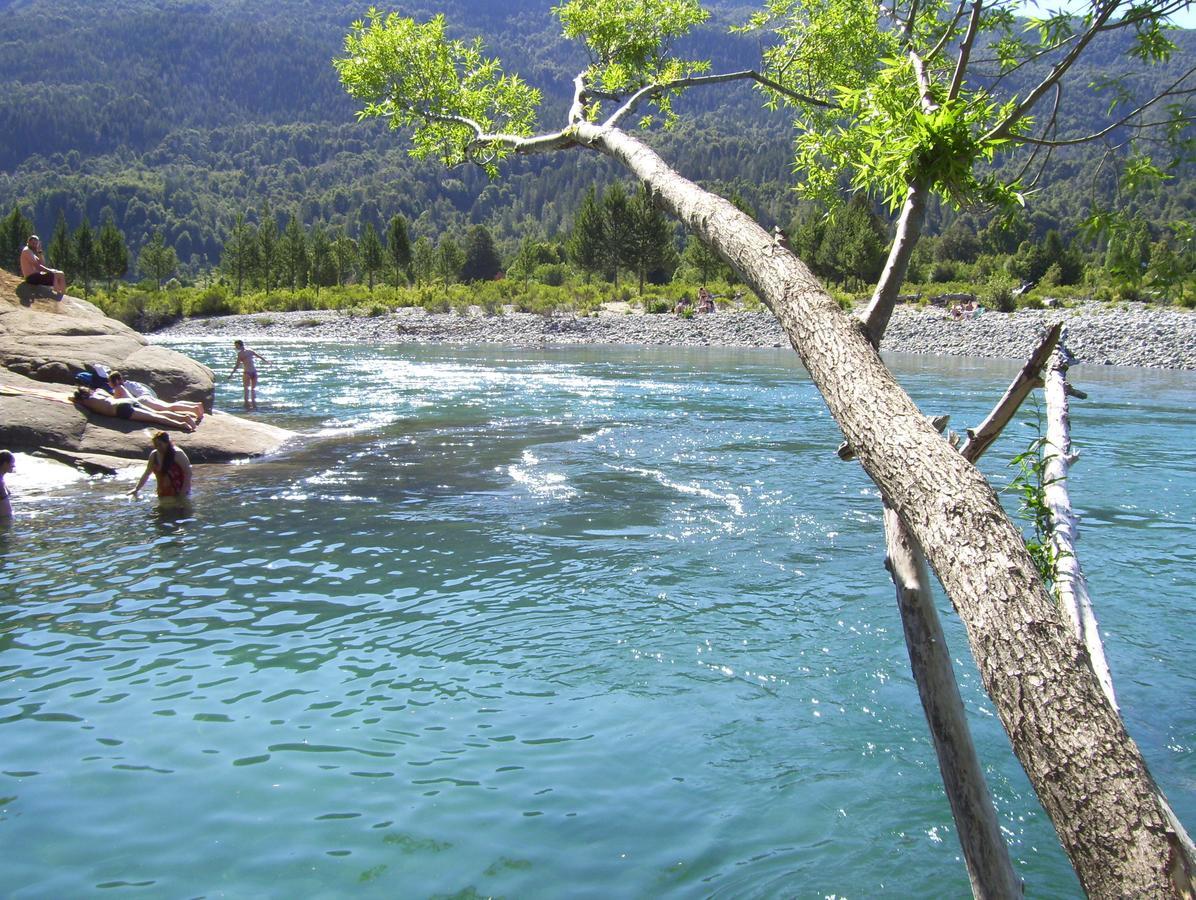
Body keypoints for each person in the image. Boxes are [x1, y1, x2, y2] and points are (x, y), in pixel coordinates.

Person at [73, 387, 195, 432]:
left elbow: (70, 398)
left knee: (155, 418)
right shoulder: (98, 393)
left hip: (121, 409)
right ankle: (183, 417)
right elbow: (104, 391)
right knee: (157, 413)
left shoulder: (85, 401)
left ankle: (182, 425)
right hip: (126, 401)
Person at [110, 371, 205, 423]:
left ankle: (193, 409)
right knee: (169, 405)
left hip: (142, 400)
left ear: (116, 381)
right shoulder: (129, 383)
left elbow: (115, 402)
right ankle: (195, 405)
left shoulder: (120, 387)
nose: (109, 384)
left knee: (168, 408)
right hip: (147, 396)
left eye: (110, 382)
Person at [130, 432, 192, 500]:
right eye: (156, 445)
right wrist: (136, 489)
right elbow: (147, 473)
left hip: (180, 492)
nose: (158, 447)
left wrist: (182, 494)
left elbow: (188, 474)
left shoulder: (178, 454)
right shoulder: (154, 455)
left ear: (167, 443)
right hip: (162, 494)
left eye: (160, 444)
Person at [230, 339, 268, 409]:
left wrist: (232, 374)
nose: (236, 347)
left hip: (247, 372)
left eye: (236, 346)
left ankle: (247, 404)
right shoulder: (250, 351)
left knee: (246, 389)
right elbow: (259, 357)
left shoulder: (241, 354)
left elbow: (237, 365)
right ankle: (253, 405)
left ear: (240, 345)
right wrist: (266, 361)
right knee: (252, 389)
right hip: (253, 372)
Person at [0, 450, 14, 520]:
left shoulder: (2, 479)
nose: (14, 465)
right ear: (5, 463)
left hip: (6, 521)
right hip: (3, 522)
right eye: (12, 462)